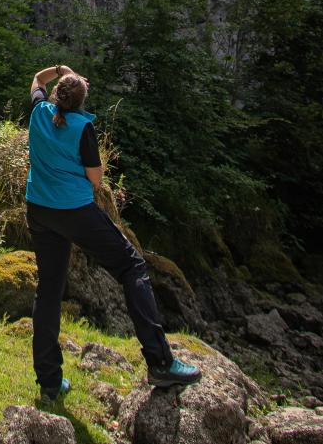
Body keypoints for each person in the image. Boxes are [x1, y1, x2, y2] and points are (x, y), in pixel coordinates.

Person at [26, 64, 202, 402]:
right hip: (75, 211)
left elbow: (37, 80)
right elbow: (95, 179)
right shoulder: (83, 126)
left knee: (49, 288)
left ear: (54, 95)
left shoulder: (39, 113)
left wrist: (62, 70)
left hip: (39, 208)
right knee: (131, 267)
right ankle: (160, 362)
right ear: (80, 102)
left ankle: (49, 381)